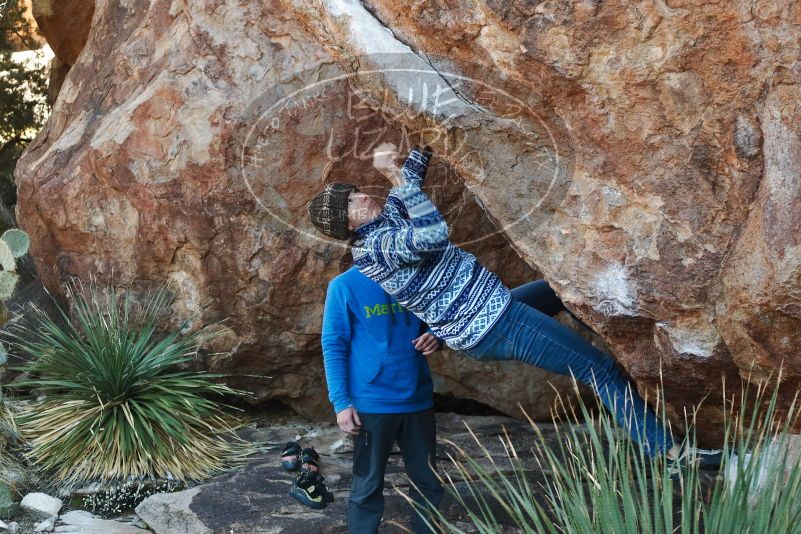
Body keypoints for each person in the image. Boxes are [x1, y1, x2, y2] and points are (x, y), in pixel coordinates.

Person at [308, 142, 723, 467]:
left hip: (488, 312)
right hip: (494, 324)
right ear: (346, 224)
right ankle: (671, 457)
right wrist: (396, 173)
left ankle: (628, 340)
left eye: (356, 192)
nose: (361, 196)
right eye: (350, 202)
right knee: (601, 371)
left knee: (562, 289)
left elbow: (411, 182)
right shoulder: (376, 248)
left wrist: (428, 139)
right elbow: (433, 234)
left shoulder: (386, 219)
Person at [321, 258, 445, 533]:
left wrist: (437, 336)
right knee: (367, 485)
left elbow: (442, 319)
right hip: (371, 404)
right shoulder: (344, 285)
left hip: (418, 399)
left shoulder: (417, 277)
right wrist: (341, 403)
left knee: (428, 481)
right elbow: (333, 345)